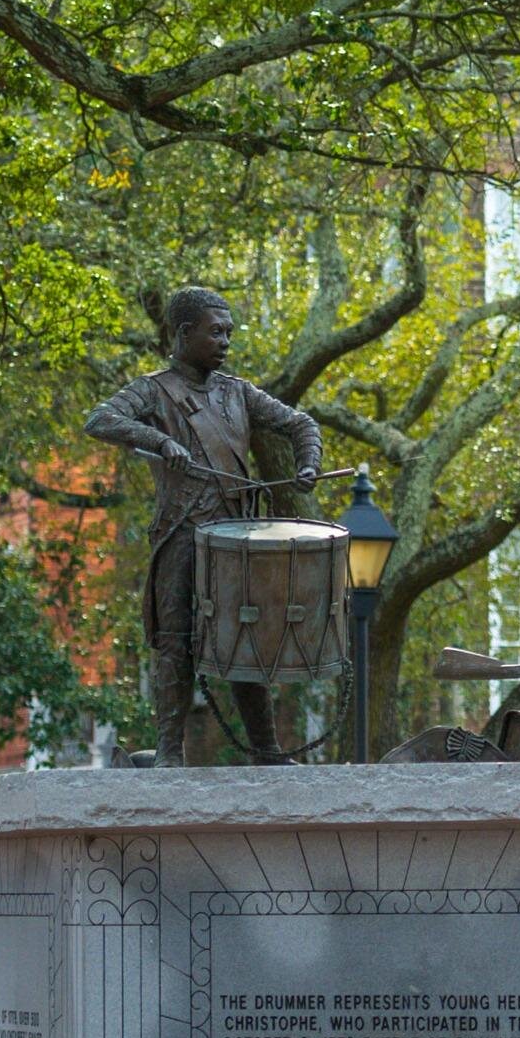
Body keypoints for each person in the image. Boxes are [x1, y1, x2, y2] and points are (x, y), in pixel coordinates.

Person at [84, 286, 321, 767]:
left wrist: (308, 465)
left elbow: (302, 424)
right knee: (175, 644)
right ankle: (170, 752)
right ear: (185, 332)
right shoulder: (154, 390)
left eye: (229, 333)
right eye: (216, 332)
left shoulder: (238, 392)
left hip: (236, 537)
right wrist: (157, 439)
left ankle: (267, 751)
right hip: (181, 534)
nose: (225, 342)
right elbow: (99, 419)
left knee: (245, 639)